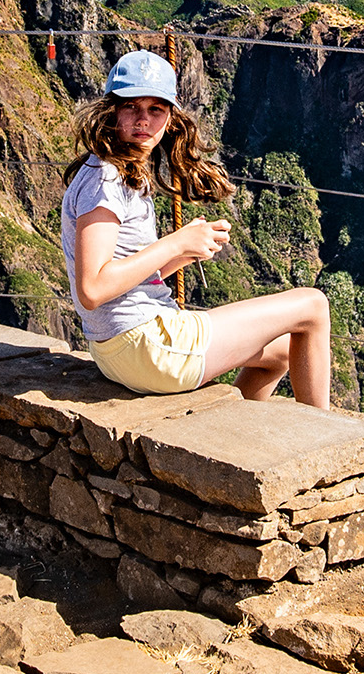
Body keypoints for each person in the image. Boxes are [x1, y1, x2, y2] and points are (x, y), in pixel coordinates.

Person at [60, 49, 335, 408]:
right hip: (146, 345)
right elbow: (93, 288)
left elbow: (124, 278)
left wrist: (183, 254)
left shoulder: (113, 168)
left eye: (155, 109)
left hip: (121, 349)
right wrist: (175, 244)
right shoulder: (108, 179)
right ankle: (324, 437)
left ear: (170, 118)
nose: (142, 120)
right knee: (313, 305)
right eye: (131, 107)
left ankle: (236, 434)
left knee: (281, 353)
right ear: (111, 111)